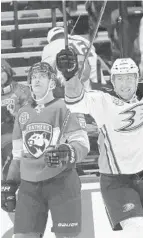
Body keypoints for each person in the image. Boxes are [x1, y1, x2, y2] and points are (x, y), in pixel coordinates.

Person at [56, 11, 143, 238]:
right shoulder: (102, 101)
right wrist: (71, 75)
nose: (125, 83)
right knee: (136, 231)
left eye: (129, 77)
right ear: (112, 81)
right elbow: (75, 101)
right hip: (117, 181)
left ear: (136, 76)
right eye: (119, 79)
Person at [1, 62, 90, 238]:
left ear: (52, 82)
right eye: (33, 77)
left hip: (61, 182)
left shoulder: (67, 107)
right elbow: (18, 156)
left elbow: (83, 143)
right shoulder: (23, 113)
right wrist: (10, 184)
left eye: (42, 76)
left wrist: (67, 151)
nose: (37, 80)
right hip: (29, 186)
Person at [41, 27, 105, 94]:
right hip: (99, 89)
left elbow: (45, 71)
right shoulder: (84, 41)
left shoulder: (50, 46)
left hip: (73, 92)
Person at [1, 59, 32, 180]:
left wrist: (15, 115)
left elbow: (31, 115)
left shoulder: (22, 90)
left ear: (8, 72)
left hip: (14, 136)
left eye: (1, 71)